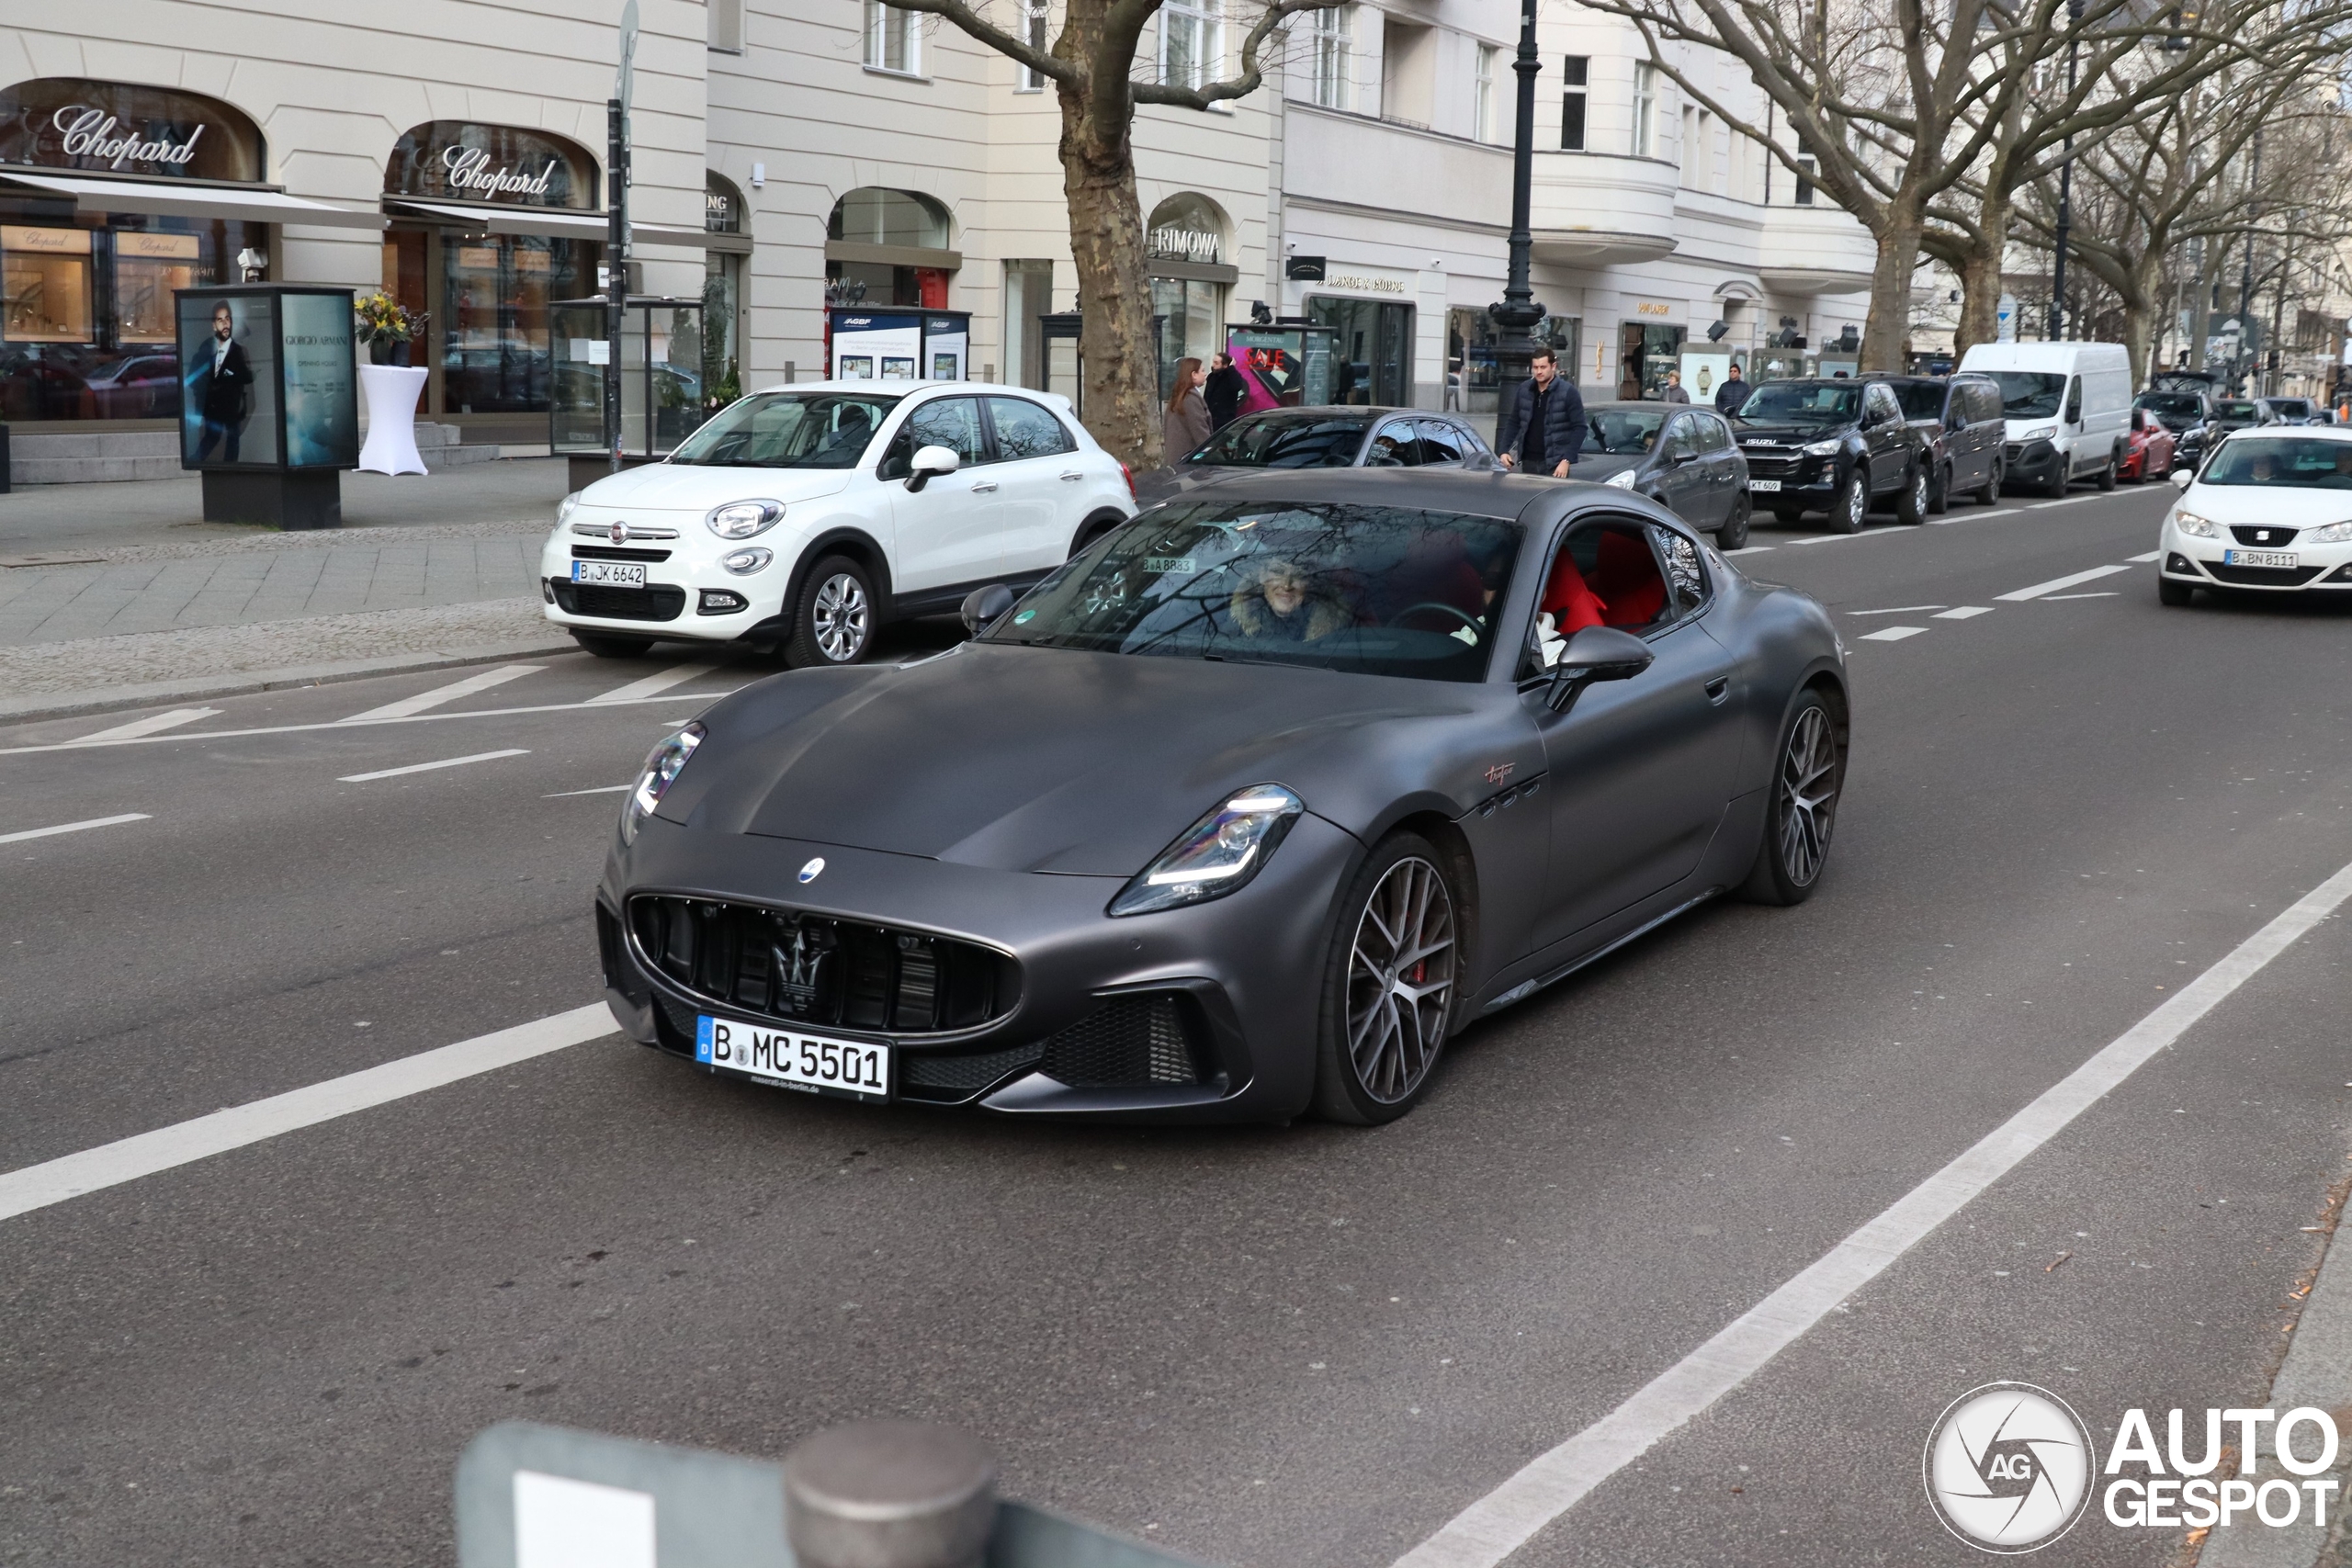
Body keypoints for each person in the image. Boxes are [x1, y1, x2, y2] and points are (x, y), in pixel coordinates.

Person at [1495, 346, 1588, 479]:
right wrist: (1503, 450)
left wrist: (1566, 460)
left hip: (1555, 465)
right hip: (1528, 462)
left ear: (1553, 366)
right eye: (1535, 367)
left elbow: (1580, 428)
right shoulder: (1524, 390)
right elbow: (1514, 422)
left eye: (1543, 367)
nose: (1539, 372)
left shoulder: (1568, 392)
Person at [189, 300, 254, 463]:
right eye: (220, 320)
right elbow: (193, 377)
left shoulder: (237, 350)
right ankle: (197, 460)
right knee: (214, 437)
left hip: (231, 405)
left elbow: (245, 377)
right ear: (214, 325)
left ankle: (230, 468)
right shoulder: (205, 349)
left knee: (232, 437)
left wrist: (234, 375)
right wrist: (207, 391)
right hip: (213, 405)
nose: (225, 324)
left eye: (227, 319)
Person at [1229, 555, 1349, 642]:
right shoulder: (1227, 625)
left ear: (1309, 582)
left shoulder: (1338, 636)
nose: (1287, 585)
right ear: (1262, 576)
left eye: (1299, 575)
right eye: (1278, 572)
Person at [1163, 357, 1211, 458]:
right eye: (1202, 371)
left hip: (1178, 456)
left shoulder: (1180, 395)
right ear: (1194, 375)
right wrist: (1214, 454)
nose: (1205, 373)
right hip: (1188, 458)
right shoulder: (1190, 398)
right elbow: (1200, 432)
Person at [1204, 352, 1247, 430]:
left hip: (1224, 420)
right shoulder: (1212, 377)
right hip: (1209, 418)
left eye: (1216, 363)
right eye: (1213, 362)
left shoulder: (1231, 377)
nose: (1213, 365)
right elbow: (1206, 396)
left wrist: (1231, 368)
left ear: (1225, 365)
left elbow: (1237, 386)